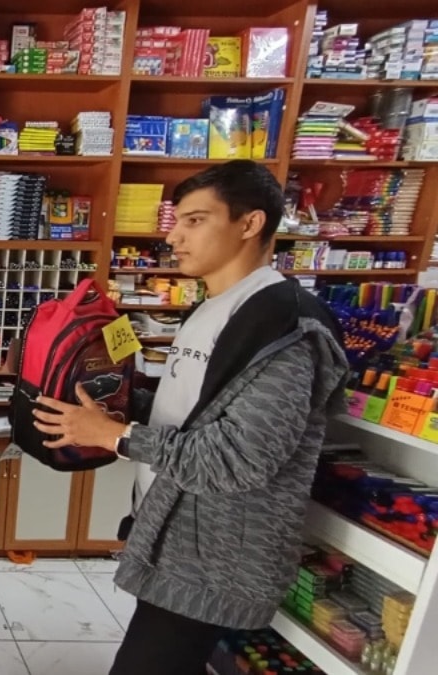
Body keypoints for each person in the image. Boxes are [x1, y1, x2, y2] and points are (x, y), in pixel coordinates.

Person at [29, 161, 348, 675]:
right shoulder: (212, 307)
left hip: (215, 558)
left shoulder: (285, 325)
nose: (173, 237)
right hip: (174, 533)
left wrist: (117, 436)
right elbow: (191, 412)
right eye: (176, 221)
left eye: (195, 221)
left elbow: (242, 458)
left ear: (250, 223)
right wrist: (108, 398)